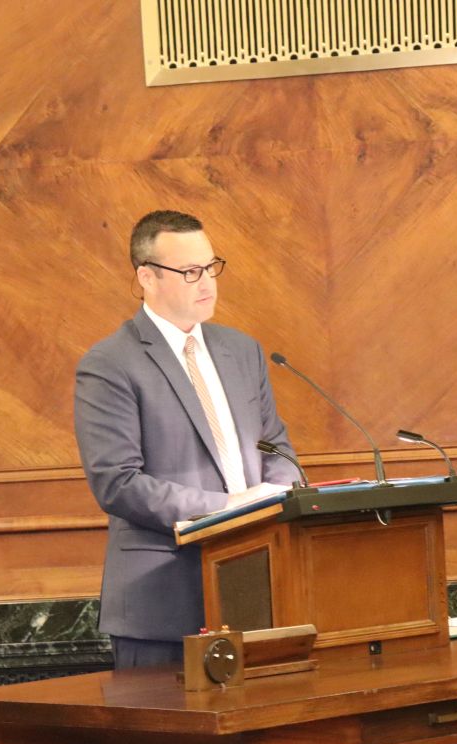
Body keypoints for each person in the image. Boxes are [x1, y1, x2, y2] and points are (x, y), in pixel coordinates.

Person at [74, 210, 300, 669]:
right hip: (163, 602)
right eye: (191, 272)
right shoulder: (110, 363)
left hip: (258, 591)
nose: (208, 284)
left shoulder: (242, 351)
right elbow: (117, 482)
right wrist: (230, 507)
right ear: (147, 277)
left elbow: (275, 447)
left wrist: (283, 491)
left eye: (212, 267)